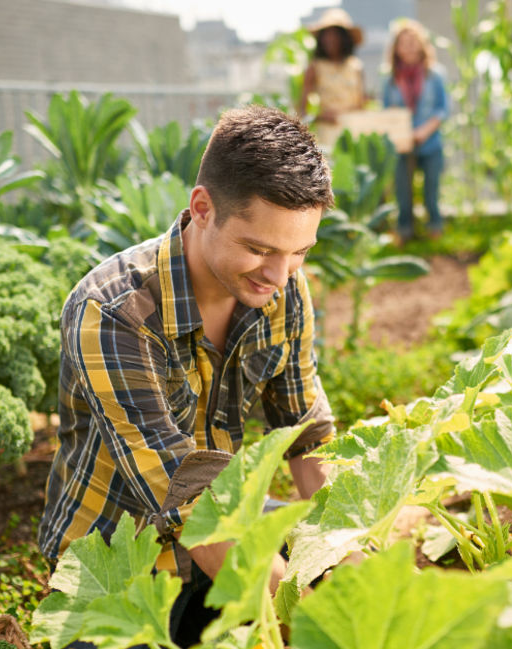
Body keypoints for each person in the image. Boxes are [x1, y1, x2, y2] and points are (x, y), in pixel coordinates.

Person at [38, 105, 336, 647]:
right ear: (203, 208)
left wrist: (344, 560)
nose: (280, 273)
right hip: (123, 554)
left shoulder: (283, 287)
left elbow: (307, 435)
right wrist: (322, 627)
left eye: (299, 252)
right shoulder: (113, 311)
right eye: (259, 248)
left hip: (225, 531)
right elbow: (189, 499)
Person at [382, 19, 449, 243]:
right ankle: (405, 233)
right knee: (403, 193)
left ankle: (435, 231)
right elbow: (387, 113)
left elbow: (442, 109)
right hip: (402, 146)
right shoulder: (390, 79)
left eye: (413, 41)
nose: (409, 46)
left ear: (422, 45)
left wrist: (423, 132)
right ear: (396, 48)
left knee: (432, 192)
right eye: (404, 42)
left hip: (430, 144)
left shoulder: (435, 75)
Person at [298, 8, 366, 147]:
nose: (331, 39)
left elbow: (361, 103)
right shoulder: (315, 67)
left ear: (344, 38)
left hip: (355, 132)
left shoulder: (356, 66)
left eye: (336, 35)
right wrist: (321, 117)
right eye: (327, 35)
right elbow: (302, 112)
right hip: (328, 134)